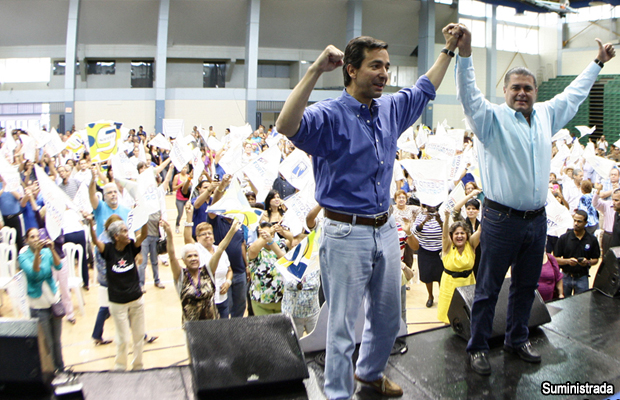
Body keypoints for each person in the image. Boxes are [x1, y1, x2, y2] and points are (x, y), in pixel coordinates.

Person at [275, 24, 459, 398]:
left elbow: (425, 87)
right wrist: (315, 70)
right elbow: (285, 124)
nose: (384, 73)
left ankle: (370, 374)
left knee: (388, 316)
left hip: (386, 228)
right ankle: (338, 394)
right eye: (376, 65)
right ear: (351, 70)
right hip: (344, 233)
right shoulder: (328, 115)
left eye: (387, 66)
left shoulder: (390, 108)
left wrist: (449, 48)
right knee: (342, 326)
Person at [454, 22, 615, 376]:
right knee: (488, 288)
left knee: (526, 286)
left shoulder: (545, 115)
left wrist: (597, 63)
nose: (522, 93)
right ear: (505, 90)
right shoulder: (490, 119)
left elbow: (573, 94)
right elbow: (468, 94)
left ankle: (517, 338)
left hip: (536, 220)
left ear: (536, 91)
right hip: (500, 220)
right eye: (515, 87)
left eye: (528, 88)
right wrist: (464, 55)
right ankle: (478, 346)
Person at [88, 215, 149, 371]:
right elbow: (95, 241)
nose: (128, 234)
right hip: (117, 302)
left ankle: (138, 366)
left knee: (139, 336)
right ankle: (120, 367)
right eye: (124, 231)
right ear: (116, 236)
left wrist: (144, 217)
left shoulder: (131, 246)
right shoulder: (108, 250)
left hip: (136, 299)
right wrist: (90, 224)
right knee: (123, 339)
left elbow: (144, 235)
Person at [162, 218, 239, 322]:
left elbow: (220, 249)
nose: (193, 258)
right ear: (183, 260)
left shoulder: (207, 271)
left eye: (195, 256)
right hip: (192, 325)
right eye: (189, 256)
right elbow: (171, 256)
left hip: (212, 323)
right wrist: (169, 234)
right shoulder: (180, 275)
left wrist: (232, 230)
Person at [18, 227, 64, 371]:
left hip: (53, 301)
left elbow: (59, 266)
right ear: (26, 240)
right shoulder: (23, 257)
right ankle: (51, 371)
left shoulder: (46, 252)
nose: (36, 239)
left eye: (37, 236)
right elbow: (34, 274)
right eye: (32, 237)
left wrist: (52, 250)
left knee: (57, 341)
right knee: (47, 343)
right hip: (38, 306)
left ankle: (61, 368)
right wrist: (37, 253)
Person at [437, 210, 480, 324]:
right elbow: (444, 235)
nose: (459, 236)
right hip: (449, 286)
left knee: (469, 318)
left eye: (462, 233)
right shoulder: (447, 247)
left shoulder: (471, 244)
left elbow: (480, 230)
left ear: (467, 235)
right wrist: (446, 218)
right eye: (456, 233)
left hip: (468, 285)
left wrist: (487, 211)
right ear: (452, 235)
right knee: (448, 319)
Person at [554, 210, 600, 297]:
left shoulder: (592, 239)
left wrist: (587, 262)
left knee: (582, 302)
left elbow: (596, 259)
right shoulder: (564, 238)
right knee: (563, 302)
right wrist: (567, 261)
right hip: (566, 276)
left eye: (579, 221)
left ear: (585, 223)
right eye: (574, 220)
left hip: (582, 277)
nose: (576, 223)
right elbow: (555, 259)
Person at [413, 205, 444, 308]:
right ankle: (430, 296)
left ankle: (442, 296)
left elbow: (447, 231)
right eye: (430, 205)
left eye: (434, 205)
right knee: (427, 276)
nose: (432, 207)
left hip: (440, 252)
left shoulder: (441, 215)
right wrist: (424, 222)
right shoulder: (421, 216)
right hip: (425, 251)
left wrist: (440, 221)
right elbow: (414, 231)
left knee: (442, 276)